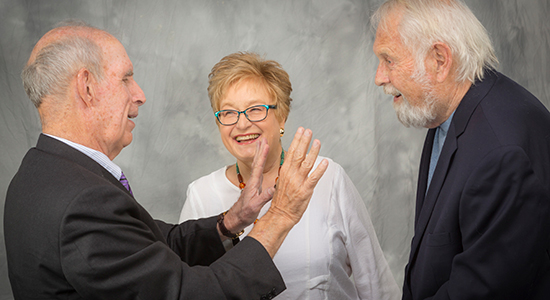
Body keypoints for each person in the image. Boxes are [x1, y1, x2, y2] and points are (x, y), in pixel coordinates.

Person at [3, 21, 329, 299]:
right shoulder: (83, 201)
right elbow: (188, 293)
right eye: (126, 78)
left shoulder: (36, 175)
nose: (140, 94)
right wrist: (281, 215)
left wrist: (233, 219)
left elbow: (155, 246)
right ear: (87, 87)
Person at [178, 51, 401, 299]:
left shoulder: (327, 177)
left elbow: (376, 285)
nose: (241, 124)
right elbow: (188, 291)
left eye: (255, 109)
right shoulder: (201, 194)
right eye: (228, 112)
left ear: (282, 115)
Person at [370, 0, 550, 299]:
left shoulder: (501, 152)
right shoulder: (450, 108)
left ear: (440, 60)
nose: (380, 77)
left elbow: (484, 290)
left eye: (389, 60)